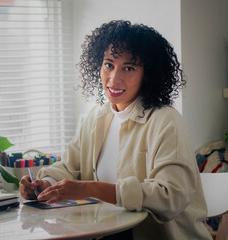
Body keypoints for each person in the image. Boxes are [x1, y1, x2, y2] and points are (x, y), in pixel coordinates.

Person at [19, 20, 212, 240]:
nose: (114, 78)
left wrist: (89, 188)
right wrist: (45, 184)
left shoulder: (166, 121)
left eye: (128, 68)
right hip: (107, 233)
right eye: (109, 64)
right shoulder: (96, 118)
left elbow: (170, 197)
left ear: (147, 74)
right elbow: (69, 168)